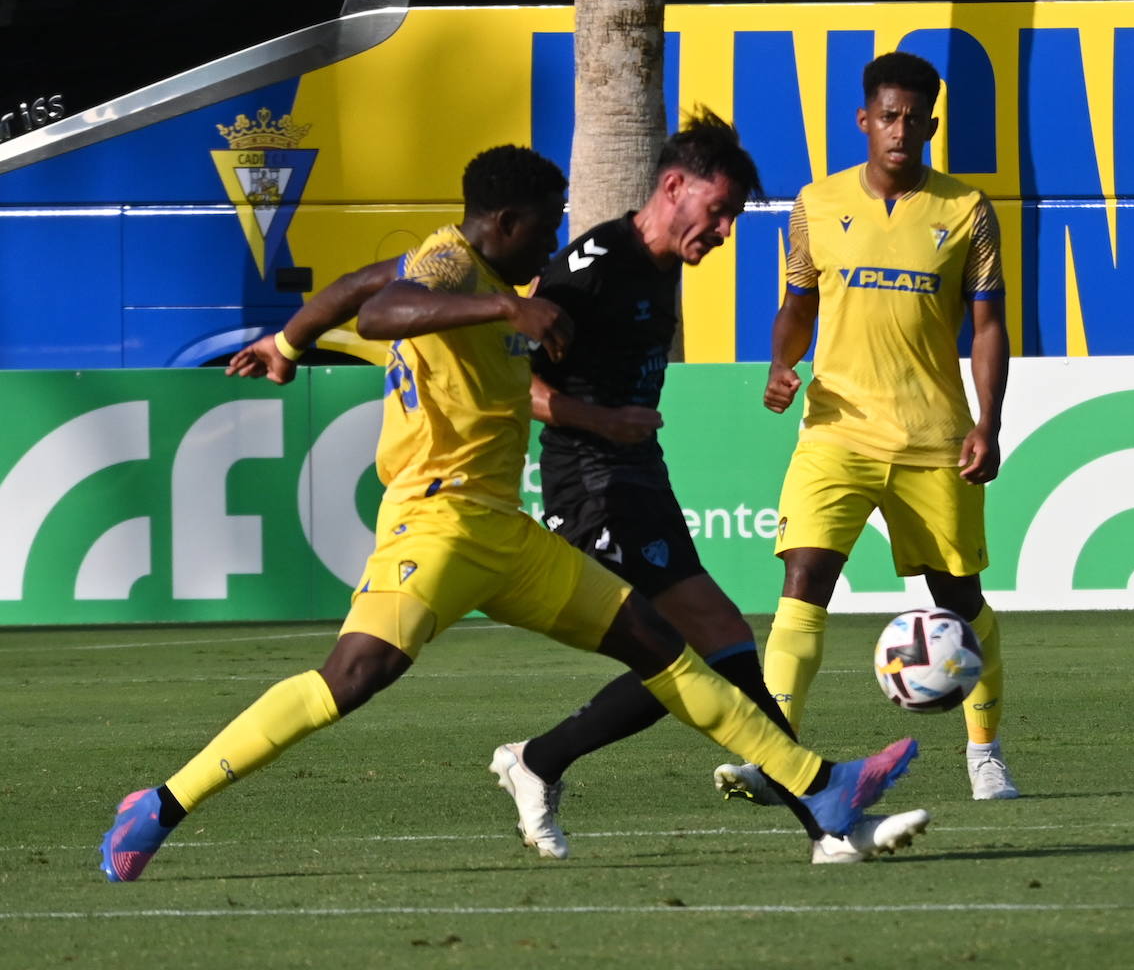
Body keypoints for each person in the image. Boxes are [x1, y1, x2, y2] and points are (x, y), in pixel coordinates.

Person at [99, 144, 917, 884]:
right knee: (352, 678)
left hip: (506, 529)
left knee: (663, 646)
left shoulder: (476, 272)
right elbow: (383, 315)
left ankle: (821, 789)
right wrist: (505, 313)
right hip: (437, 522)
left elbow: (355, 289)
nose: (552, 245)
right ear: (506, 221)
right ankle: (161, 805)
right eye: (547, 225)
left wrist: (286, 343)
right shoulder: (455, 265)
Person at [713, 52, 1019, 804]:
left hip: (933, 436)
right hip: (836, 430)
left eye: (915, 118)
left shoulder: (967, 210)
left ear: (932, 125)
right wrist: (782, 363)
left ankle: (985, 753)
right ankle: (776, 752)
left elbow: (987, 327)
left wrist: (989, 421)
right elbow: (797, 305)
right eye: (888, 115)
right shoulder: (816, 205)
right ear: (864, 119)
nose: (900, 130)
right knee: (802, 578)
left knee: (959, 599)